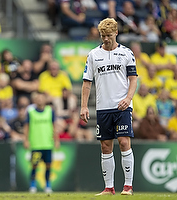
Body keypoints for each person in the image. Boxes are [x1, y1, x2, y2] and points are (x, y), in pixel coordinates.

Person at [80, 18, 137, 196]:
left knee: (124, 141)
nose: (105, 39)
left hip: (122, 106)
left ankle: (128, 186)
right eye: (103, 36)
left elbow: (133, 79)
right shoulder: (93, 55)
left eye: (109, 35)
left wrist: (128, 98)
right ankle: (109, 188)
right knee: (106, 146)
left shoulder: (127, 53)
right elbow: (87, 83)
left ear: (116, 33)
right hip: (103, 107)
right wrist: (83, 106)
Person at [23, 91, 60, 194]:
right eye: (37, 98)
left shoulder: (50, 111)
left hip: (47, 144)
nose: (39, 100)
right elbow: (26, 127)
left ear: (45, 100)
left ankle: (48, 185)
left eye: (41, 98)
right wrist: (25, 140)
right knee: (34, 165)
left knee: (48, 165)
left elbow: (54, 126)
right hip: (36, 144)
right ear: (35, 100)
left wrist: (57, 140)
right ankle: (32, 186)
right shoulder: (31, 112)